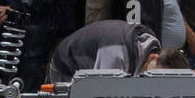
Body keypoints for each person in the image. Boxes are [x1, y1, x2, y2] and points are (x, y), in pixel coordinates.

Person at [47, 20, 187, 82]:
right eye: (154, 77)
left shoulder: (149, 45)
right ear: (153, 58)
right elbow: (101, 97)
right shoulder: (117, 53)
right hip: (66, 67)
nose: (154, 84)